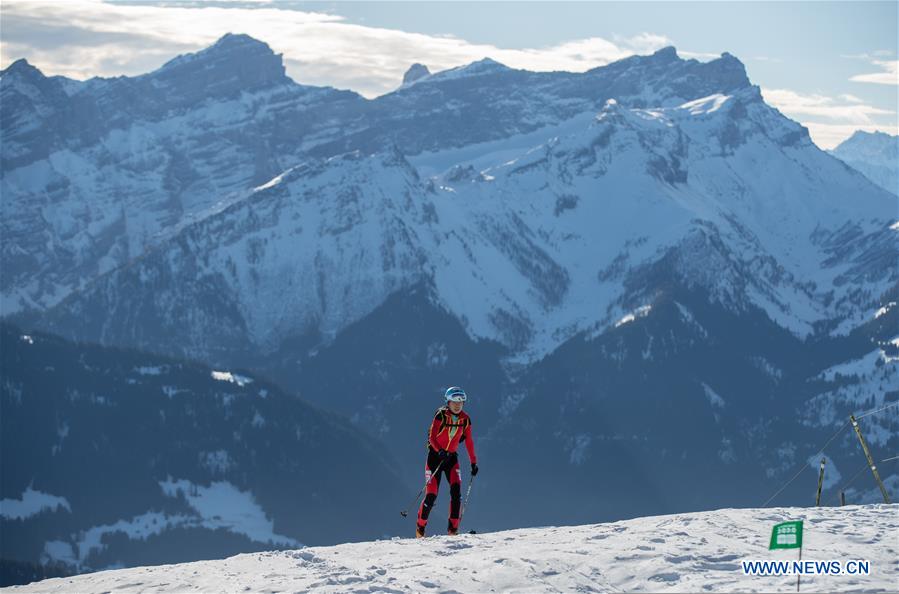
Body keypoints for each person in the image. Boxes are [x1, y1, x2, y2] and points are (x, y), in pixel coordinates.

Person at [416, 386, 479, 537]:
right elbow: (432, 437)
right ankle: (420, 527)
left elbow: (469, 441)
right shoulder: (441, 415)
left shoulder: (465, 419)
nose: (458, 405)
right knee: (431, 495)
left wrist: (473, 462)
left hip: (451, 458)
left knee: (456, 493)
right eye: (454, 402)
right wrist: (439, 451)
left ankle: (453, 530)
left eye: (460, 402)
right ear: (448, 402)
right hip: (434, 458)